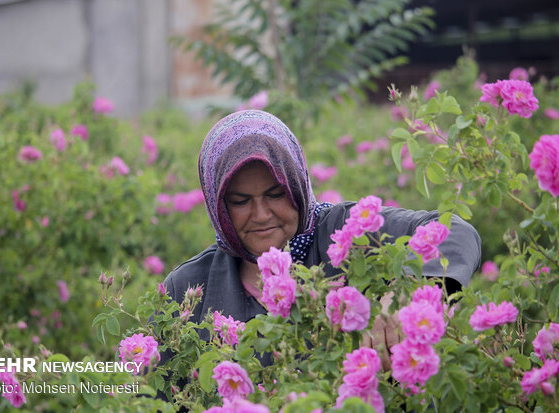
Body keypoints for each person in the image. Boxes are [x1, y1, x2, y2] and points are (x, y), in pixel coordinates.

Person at [162, 109, 481, 366]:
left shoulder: (347, 232)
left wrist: (408, 293)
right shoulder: (188, 289)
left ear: (297, 187)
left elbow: (455, 232)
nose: (260, 215)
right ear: (219, 207)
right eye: (241, 201)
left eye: (276, 194)